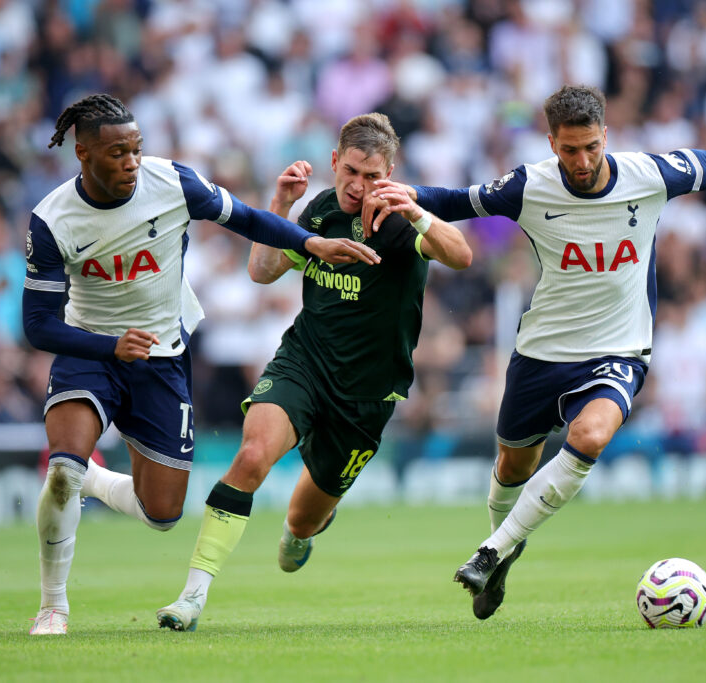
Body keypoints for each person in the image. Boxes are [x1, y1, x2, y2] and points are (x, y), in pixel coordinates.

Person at [364, 84, 706, 620]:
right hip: (542, 350)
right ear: (551, 143)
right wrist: (402, 194)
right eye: (569, 150)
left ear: (606, 135)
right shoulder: (528, 186)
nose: (582, 160)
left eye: (591, 146)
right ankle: (504, 549)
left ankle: (490, 551)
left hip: (619, 348)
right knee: (512, 464)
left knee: (589, 435)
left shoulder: (650, 175)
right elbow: (458, 200)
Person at [21, 94, 379, 635]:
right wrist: (109, 346)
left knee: (162, 514)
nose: (130, 162)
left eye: (136, 149)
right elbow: (38, 325)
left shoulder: (173, 183)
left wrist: (311, 242)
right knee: (63, 470)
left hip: (162, 356)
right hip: (91, 350)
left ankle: (95, 480)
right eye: (117, 152)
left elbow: (249, 219)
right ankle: (53, 606)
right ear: (83, 152)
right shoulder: (51, 220)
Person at [155, 112, 473, 632]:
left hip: (366, 396)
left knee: (302, 522)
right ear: (333, 162)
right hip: (304, 363)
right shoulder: (320, 211)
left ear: (391, 171)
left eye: (373, 177)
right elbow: (261, 272)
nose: (359, 186)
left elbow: (461, 255)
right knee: (253, 455)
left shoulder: (399, 220)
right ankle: (192, 597)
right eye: (350, 172)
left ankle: (301, 532)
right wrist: (279, 204)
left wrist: (415, 212)